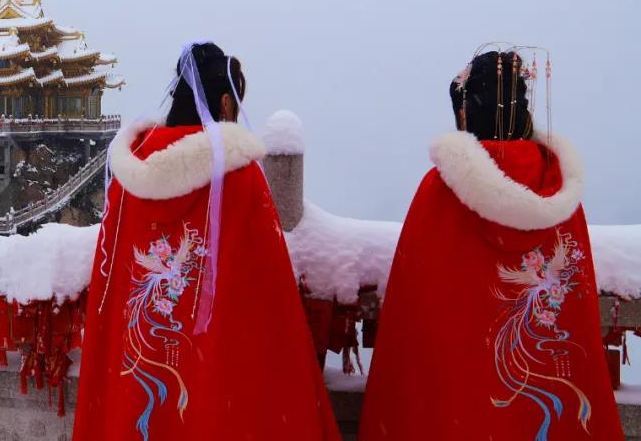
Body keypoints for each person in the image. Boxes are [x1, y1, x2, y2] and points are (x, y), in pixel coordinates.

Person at [73, 42, 340, 441]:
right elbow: (267, 293)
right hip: (214, 370)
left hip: (137, 363)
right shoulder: (238, 176)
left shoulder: (130, 178)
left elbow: (112, 284)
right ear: (226, 103)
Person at [358, 50, 624, 441]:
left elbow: (415, 313)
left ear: (466, 112)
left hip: (455, 406)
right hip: (542, 394)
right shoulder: (560, 196)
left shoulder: (442, 191)